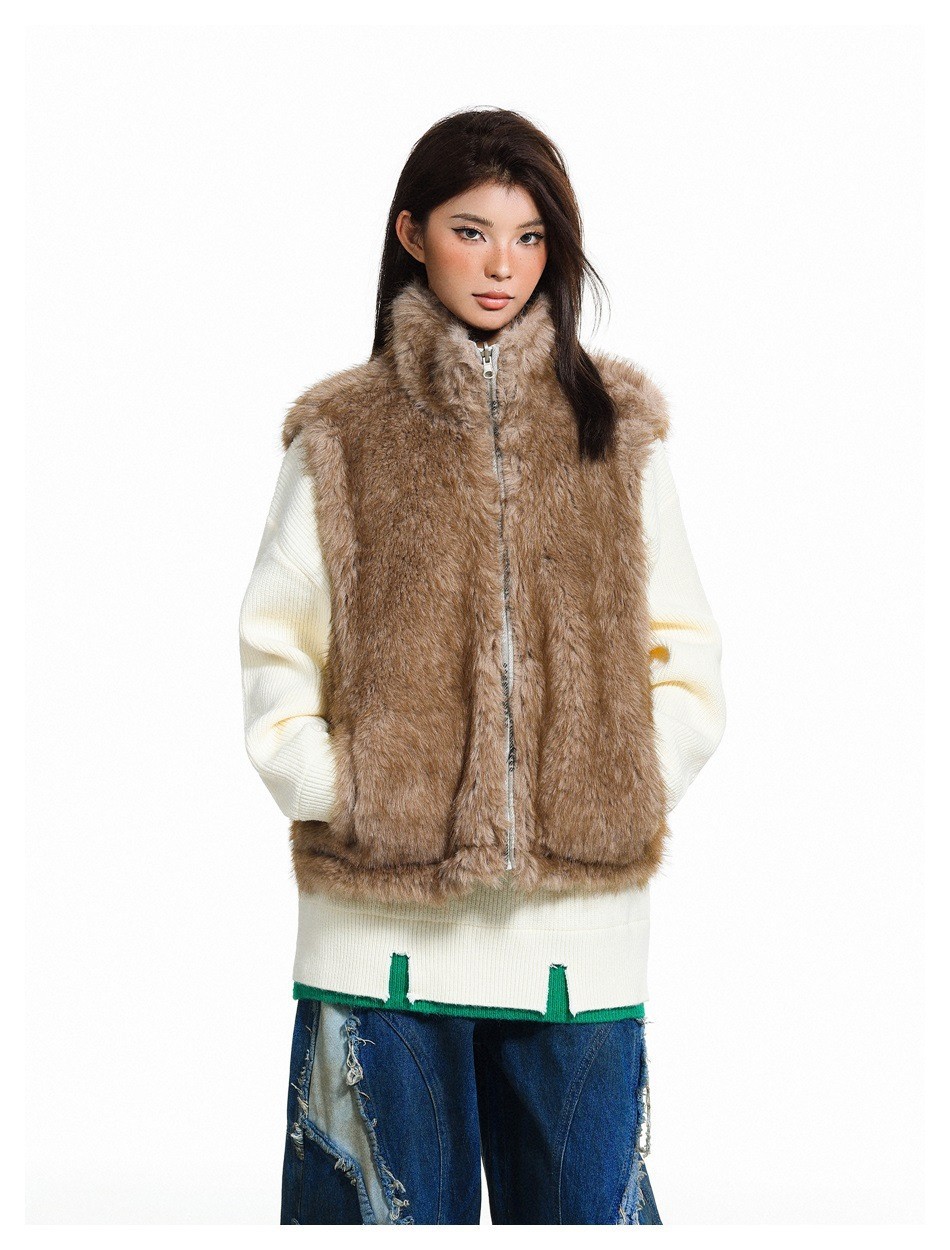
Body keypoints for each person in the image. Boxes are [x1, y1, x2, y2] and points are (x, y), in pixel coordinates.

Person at [239, 106, 726, 1226]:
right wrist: (349, 790)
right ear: (412, 233)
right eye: (472, 231)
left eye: (529, 237)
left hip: (578, 941)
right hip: (379, 936)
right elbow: (276, 648)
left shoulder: (615, 430)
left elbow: (687, 657)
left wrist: (617, 785)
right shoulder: (341, 435)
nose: (503, 265)